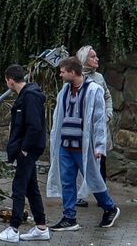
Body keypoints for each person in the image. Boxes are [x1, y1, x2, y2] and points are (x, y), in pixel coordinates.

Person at [47, 57, 119, 231]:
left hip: (83, 146)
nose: (60, 74)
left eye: (63, 71)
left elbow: (99, 120)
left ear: (72, 72)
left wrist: (100, 146)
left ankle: (110, 207)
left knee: (94, 179)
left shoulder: (94, 90)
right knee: (67, 180)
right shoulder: (65, 90)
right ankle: (69, 217)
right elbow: (59, 116)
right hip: (66, 144)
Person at [0, 64, 50, 244]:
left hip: (28, 149)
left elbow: (34, 126)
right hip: (27, 148)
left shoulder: (29, 97)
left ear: (10, 80)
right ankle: (41, 227)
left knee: (19, 187)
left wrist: (24, 148)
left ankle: (14, 228)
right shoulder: (27, 95)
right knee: (31, 187)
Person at [76, 45, 114, 181]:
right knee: (81, 158)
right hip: (82, 127)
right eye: (93, 56)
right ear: (84, 59)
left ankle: (101, 193)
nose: (96, 59)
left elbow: (107, 96)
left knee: (101, 159)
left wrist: (108, 113)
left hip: (100, 125)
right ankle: (80, 194)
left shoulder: (99, 77)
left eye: (96, 56)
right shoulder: (76, 77)